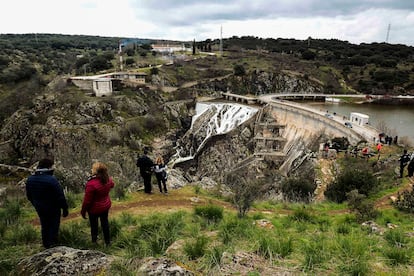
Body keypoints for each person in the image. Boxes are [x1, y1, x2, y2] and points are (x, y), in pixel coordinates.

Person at [26, 158, 69, 248]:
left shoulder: (30, 180)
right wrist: (65, 208)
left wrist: (36, 204)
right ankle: (54, 245)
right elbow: (60, 196)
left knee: (44, 225)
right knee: (54, 226)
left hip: (40, 207)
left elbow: (29, 196)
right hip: (53, 208)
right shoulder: (51, 180)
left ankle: (46, 244)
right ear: (49, 167)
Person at [81, 162, 115, 246]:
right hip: (105, 205)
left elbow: (87, 201)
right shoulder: (108, 179)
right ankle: (107, 242)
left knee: (94, 225)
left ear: (96, 171)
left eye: (93, 168)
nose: (91, 169)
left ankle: (94, 241)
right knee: (105, 223)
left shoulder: (91, 184)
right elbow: (112, 185)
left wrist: (83, 211)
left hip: (94, 209)